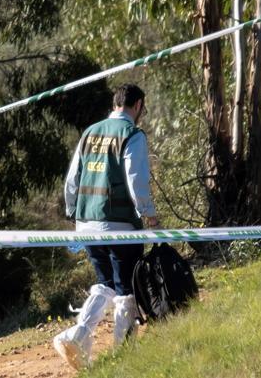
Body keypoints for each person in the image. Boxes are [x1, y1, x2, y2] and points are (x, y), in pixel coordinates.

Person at [54, 83, 159, 370]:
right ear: (137, 106)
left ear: (115, 104)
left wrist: (73, 212)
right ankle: (125, 354)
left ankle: (78, 335)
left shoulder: (90, 132)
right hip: (120, 224)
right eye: (143, 109)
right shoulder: (132, 134)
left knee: (105, 283)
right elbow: (135, 178)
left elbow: (72, 180)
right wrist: (149, 214)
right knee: (125, 290)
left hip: (86, 223)